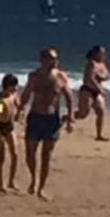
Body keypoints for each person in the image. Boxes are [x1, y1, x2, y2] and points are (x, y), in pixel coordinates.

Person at [18, 47, 74, 200]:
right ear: (43, 59)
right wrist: (20, 109)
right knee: (30, 153)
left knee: (46, 156)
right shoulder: (34, 76)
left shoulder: (61, 77)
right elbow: (26, 94)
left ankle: (40, 188)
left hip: (52, 120)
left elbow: (69, 97)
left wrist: (70, 118)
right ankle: (33, 180)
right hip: (35, 117)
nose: (55, 61)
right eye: (51, 58)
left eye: (56, 58)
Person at [75, 45, 110, 141]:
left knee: (101, 112)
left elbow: (106, 75)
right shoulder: (91, 63)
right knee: (83, 114)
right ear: (95, 53)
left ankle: (99, 135)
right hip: (87, 90)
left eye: (104, 53)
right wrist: (100, 89)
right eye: (101, 53)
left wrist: (103, 77)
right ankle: (67, 117)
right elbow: (90, 78)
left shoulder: (102, 64)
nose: (103, 54)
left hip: (96, 92)